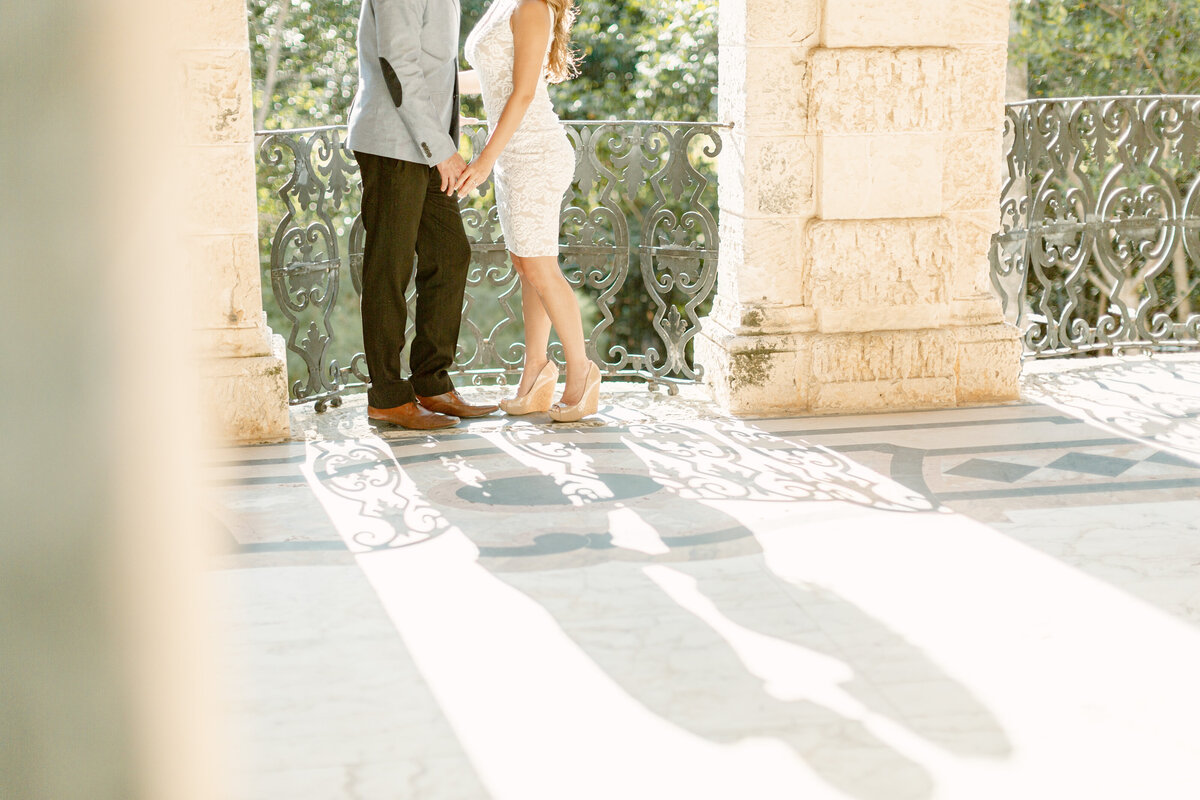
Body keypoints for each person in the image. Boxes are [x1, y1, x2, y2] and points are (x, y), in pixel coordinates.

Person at [346, 0, 499, 430]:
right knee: (389, 268)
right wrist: (442, 150)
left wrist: (440, 147)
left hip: (428, 147)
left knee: (449, 254)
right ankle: (387, 397)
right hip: (393, 143)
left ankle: (430, 382)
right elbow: (398, 64)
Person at [457, 0, 602, 422]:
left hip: (536, 151)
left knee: (541, 267)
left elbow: (522, 94)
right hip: (511, 156)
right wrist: (428, 82)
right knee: (525, 264)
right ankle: (536, 372)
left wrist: (483, 158)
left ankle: (583, 373)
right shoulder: (502, 4)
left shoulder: (532, 7)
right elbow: (488, 77)